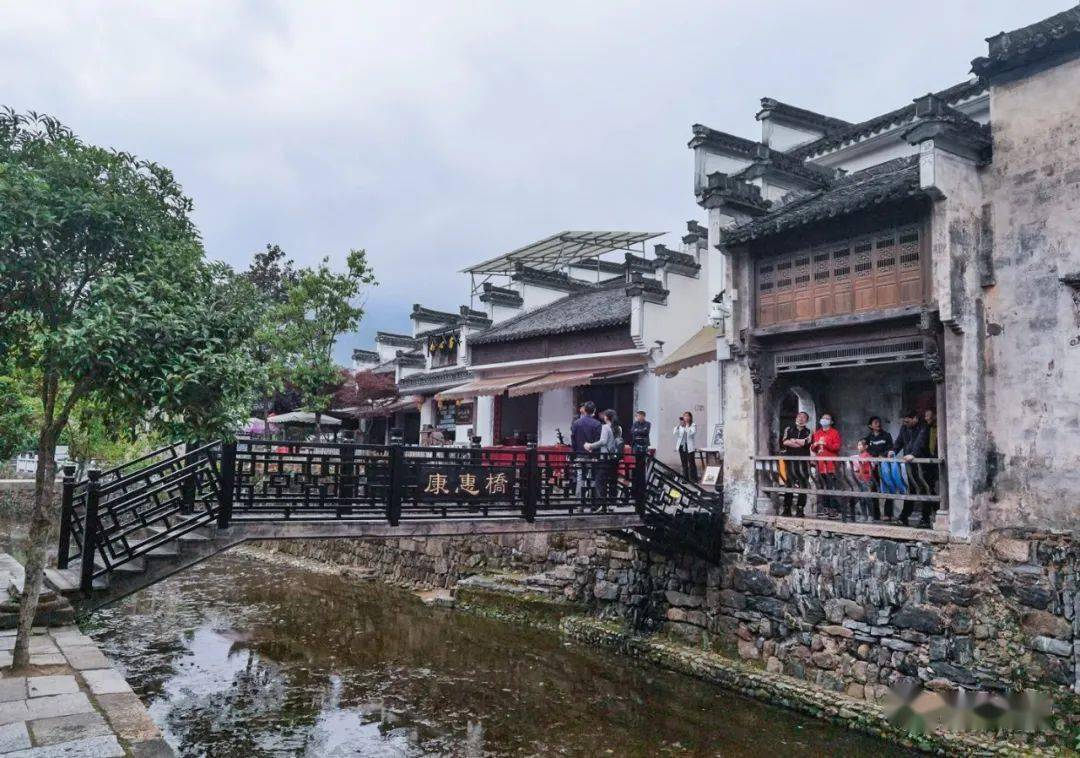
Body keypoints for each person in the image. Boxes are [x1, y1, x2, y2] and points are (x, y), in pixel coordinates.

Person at [891, 410, 931, 527]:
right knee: (910, 489)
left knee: (926, 489)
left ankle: (925, 518)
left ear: (915, 418)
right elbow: (899, 441)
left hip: (923, 464)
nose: (905, 423)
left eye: (908, 421)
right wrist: (893, 451)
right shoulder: (904, 428)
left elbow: (920, 442)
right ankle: (904, 516)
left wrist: (914, 454)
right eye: (904, 421)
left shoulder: (923, 427)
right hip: (910, 464)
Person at [585, 409, 622, 507]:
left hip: (605, 457)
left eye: (604, 415)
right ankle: (612, 502)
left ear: (607, 417)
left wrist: (590, 445)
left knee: (600, 481)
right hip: (615, 458)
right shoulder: (619, 428)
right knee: (613, 480)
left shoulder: (605, 427)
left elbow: (603, 442)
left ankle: (600, 503)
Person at [778, 411, 812, 517]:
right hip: (790, 462)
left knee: (803, 485)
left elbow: (807, 442)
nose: (800, 419)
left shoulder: (809, 431)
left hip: (803, 462)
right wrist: (799, 443)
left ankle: (800, 509)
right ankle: (786, 508)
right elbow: (785, 442)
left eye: (803, 417)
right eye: (799, 417)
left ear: (806, 420)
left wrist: (794, 440)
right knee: (789, 484)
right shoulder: (789, 429)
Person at [810, 413, 842, 519]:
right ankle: (825, 508)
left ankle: (834, 509)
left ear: (831, 422)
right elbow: (814, 447)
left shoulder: (835, 432)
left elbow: (837, 447)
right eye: (823, 418)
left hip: (831, 464)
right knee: (822, 486)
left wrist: (825, 444)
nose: (824, 420)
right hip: (820, 463)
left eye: (827, 418)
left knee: (831, 486)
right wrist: (814, 445)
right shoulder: (817, 433)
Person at [864, 416, 894, 521]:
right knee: (873, 489)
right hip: (873, 466)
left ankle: (888, 514)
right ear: (870, 426)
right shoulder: (868, 438)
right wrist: (872, 456)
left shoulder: (886, 435)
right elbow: (866, 450)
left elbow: (891, 448)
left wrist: (883, 455)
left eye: (879, 422)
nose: (878, 424)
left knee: (889, 488)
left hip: (885, 466)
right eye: (875, 423)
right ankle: (875, 514)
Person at [571, 402, 602, 498]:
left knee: (580, 477)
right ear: (594, 411)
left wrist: (575, 452)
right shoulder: (597, 424)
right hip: (592, 455)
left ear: (584, 410)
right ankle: (592, 501)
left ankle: (580, 502)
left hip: (580, 454)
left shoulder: (576, 423)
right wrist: (596, 454)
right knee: (592, 477)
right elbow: (598, 441)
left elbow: (573, 439)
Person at [853, 438, 875, 522]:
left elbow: (863, 464)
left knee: (867, 498)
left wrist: (856, 462)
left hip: (867, 479)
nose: (858, 447)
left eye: (860, 445)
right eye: (858, 445)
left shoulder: (867, 455)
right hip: (860, 478)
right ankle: (864, 515)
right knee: (861, 498)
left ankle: (870, 515)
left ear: (866, 446)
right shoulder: (860, 456)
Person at [673, 411, 698, 482]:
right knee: (684, 463)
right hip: (682, 446)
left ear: (690, 417)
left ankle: (694, 479)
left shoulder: (693, 425)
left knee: (691, 462)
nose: (685, 417)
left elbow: (691, 433)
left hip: (689, 446)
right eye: (684, 416)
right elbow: (675, 433)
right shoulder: (681, 426)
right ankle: (685, 479)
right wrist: (678, 426)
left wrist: (686, 426)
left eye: (687, 416)